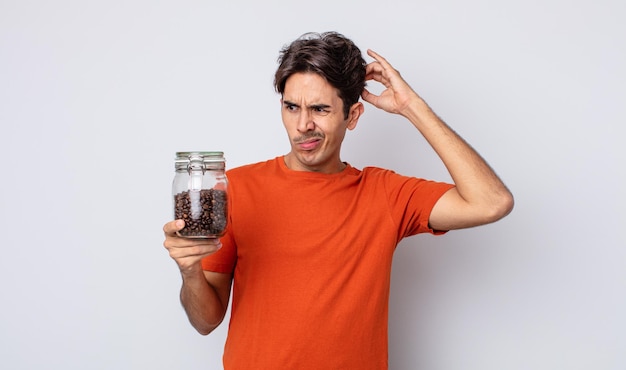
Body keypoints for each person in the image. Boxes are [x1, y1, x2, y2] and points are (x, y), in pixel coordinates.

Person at [163, 31, 514, 369]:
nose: (303, 125)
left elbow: (491, 202)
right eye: (291, 107)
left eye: (320, 109)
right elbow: (206, 322)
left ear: (353, 116)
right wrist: (189, 271)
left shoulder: (385, 194)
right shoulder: (234, 188)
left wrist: (412, 107)